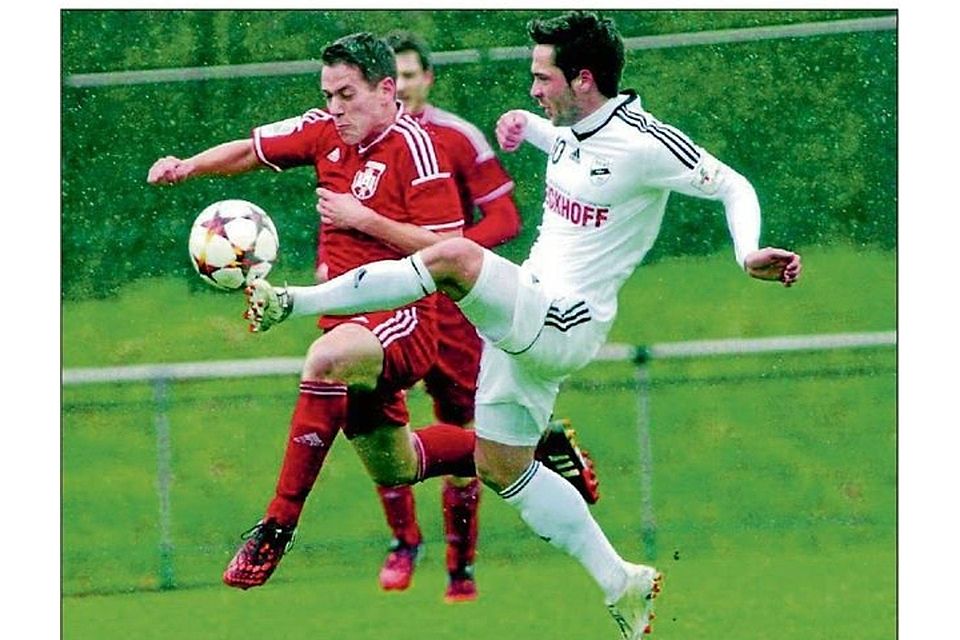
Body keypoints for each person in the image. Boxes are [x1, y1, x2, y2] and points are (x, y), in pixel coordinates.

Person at [245, 11, 802, 638]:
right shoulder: (568, 127)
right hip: (528, 323)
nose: (533, 89)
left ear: (583, 79)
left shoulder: (644, 141)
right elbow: (565, 143)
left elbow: (732, 184)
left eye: (542, 79)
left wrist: (747, 252)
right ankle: (622, 582)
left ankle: (294, 300)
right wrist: (525, 126)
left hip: (566, 319)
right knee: (500, 465)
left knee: (452, 257)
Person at [147, 30, 599, 596]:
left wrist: (363, 219)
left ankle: (277, 526)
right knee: (398, 464)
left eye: (347, 95)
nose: (335, 108)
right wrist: (187, 167)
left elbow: (447, 252)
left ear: (387, 90)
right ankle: (539, 448)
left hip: (404, 317)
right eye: (329, 94)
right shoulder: (322, 131)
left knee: (327, 359)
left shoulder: (417, 147)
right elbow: (250, 149)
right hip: (348, 317)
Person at [337, 30, 599, 603]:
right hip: (387, 305)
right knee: (372, 419)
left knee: (469, 431)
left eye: (410, 76)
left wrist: (446, 261)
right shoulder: (352, 144)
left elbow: (504, 218)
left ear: (425, 79)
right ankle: (404, 544)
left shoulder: (455, 138)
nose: (401, 88)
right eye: (392, 78)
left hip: (451, 313)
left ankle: (461, 569)